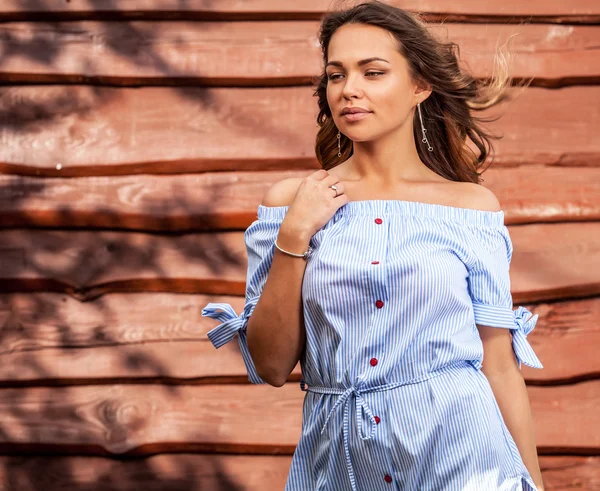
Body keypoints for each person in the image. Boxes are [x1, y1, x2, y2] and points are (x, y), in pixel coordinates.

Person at [202, 1, 545, 489]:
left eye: (374, 72)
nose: (350, 90)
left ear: (419, 86)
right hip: (342, 462)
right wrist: (294, 236)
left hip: (463, 455)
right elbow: (272, 364)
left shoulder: (471, 209)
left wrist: (532, 481)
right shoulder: (291, 204)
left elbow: (498, 364)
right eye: (336, 75)